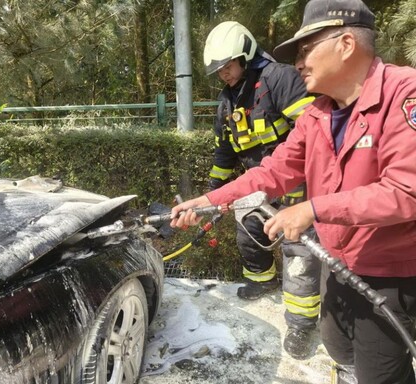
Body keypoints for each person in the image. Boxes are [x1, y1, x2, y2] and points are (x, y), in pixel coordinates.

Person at [171, 0, 416, 382]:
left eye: (306, 50)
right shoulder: (319, 113)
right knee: (337, 345)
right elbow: (272, 171)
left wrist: (311, 209)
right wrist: (207, 201)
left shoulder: (405, 95)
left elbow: (406, 192)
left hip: (389, 271)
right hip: (339, 261)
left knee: (378, 372)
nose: (298, 63)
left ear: (346, 43)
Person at [202, 21, 320, 359]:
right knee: (249, 228)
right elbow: (224, 154)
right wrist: (214, 193)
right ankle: (262, 280)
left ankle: (300, 321)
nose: (223, 74)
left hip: (297, 179)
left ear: (246, 55)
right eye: (219, 70)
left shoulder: (279, 79)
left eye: (227, 66)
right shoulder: (227, 103)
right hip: (257, 181)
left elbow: (312, 133)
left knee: (300, 249)